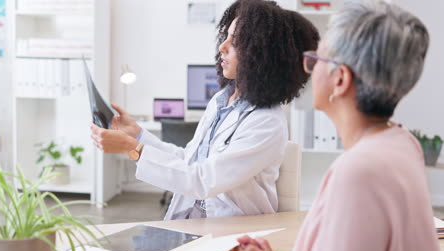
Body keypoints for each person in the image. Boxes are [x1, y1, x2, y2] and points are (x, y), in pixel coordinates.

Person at [229, 1, 442, 251]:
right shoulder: (404, 142)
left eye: (316, 58)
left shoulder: (358, 172)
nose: (309, 67)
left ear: (340, 80)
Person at [90, 0, 319, 220]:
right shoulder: (222, 101)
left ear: (264, 56)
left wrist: (134, 150)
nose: (222, 47)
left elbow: (202, 181)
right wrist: (137, 136)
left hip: (231, 234)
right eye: (226, 37)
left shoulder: (266, 122)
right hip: (190, 222)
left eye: (236, 42)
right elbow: (190, 161)